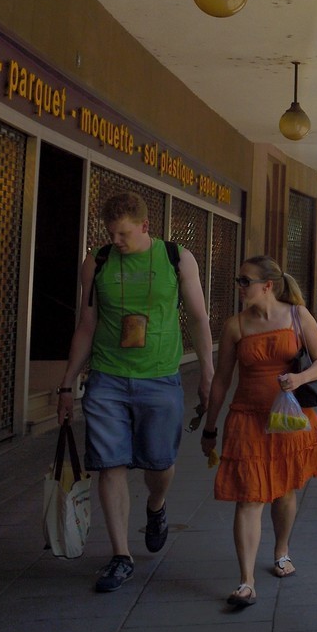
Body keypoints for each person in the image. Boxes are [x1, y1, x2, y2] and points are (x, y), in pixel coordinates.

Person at [57, 193, 215, 593]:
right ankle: (120, 555)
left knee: (159, 464)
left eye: (123, 233)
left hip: (160, 378)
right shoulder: (98, 262)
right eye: (111, 233)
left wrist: (209, 373)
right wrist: (67, 383)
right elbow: (86, 325)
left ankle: (156, 506)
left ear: (145, 227)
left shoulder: (177, 258)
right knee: (109, 465)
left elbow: (198, 317)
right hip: (107, 378)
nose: (117, 240)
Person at [201, 255, 317, 608]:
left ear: (267, 286)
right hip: (247, 418)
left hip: (287, 419)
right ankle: (246, 581)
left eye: (244, 281)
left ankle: (281, 551)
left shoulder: (297, 315)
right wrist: (209, 425)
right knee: (248, 497)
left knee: (283, 490)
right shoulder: (236, 325)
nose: (239, 287)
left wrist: (299, 378)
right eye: (238, 281)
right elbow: (221, 379)